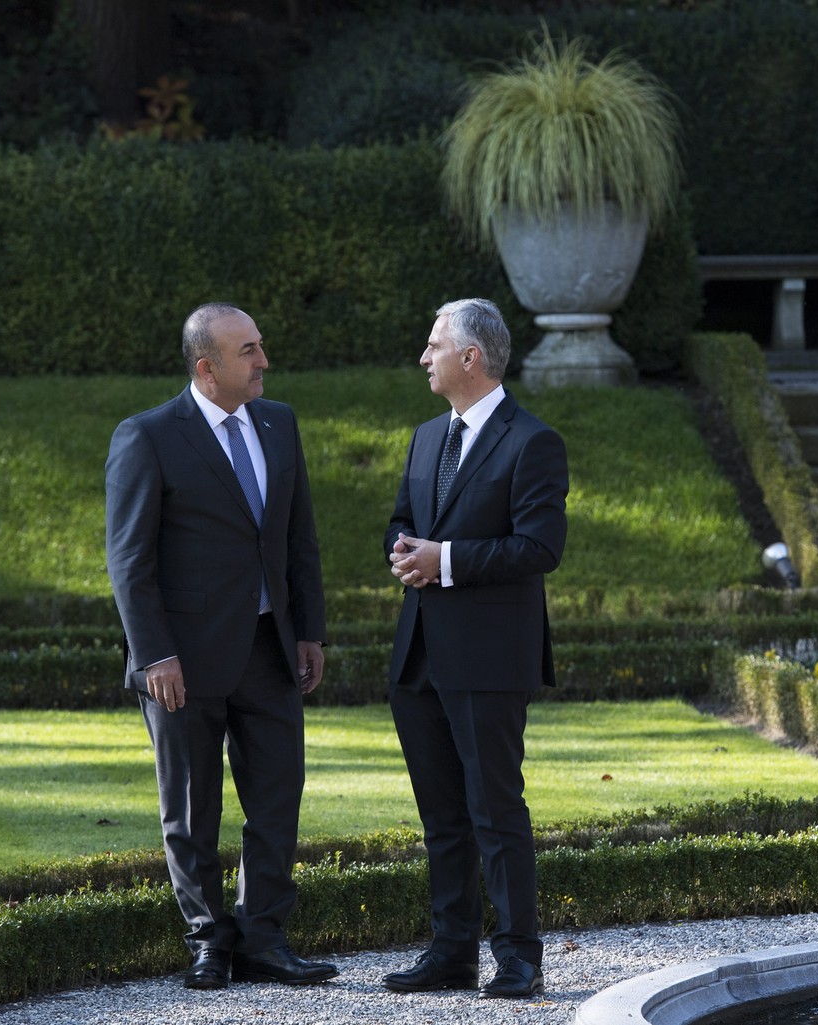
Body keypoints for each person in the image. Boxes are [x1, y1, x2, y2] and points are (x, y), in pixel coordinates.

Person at [105, 303, 336, 991]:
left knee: (277, 800)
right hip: (182, 663)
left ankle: (265, 938)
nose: (263, 359)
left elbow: (299, 538)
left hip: (270, 652)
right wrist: (154, 656)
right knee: (191, 806)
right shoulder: (147, 436)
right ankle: (209, 940)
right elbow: (129, 560)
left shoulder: (280, 422)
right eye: (249, 350)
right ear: (207, 366)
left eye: (261, 345)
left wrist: (308, 629)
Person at [381, 298, 569, 999]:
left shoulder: (532, 441)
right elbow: (404, 518)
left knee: (495, 809)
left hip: (490, 658)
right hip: (420, 655)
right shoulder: (428, 436)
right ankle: (452, 952)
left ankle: (520, 957)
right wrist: (404, 551)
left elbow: (539, 546)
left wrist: (446, 560)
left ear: (471, 357)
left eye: (434, 345)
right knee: (441, 817)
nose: (423, 357)